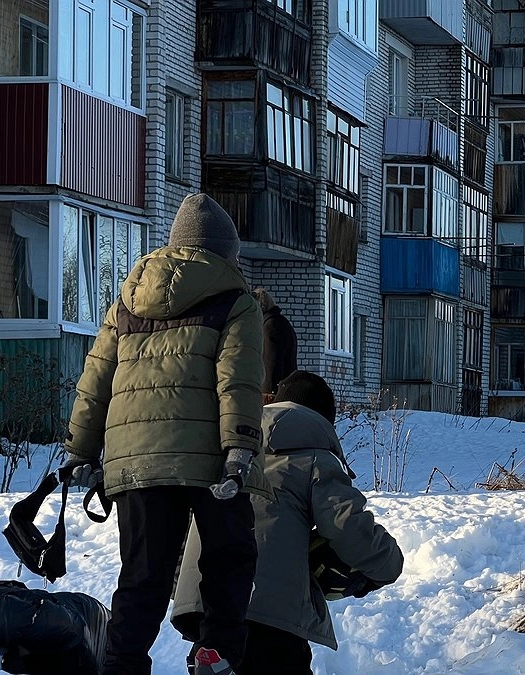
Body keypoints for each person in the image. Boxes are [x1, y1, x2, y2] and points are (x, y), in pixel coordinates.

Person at [61, 193, 269, 675]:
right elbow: (237, 379)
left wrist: (80, 449)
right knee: (230, 557)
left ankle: (121, 664)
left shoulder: (127, 301)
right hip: (208, 459)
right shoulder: (236, 301)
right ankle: (216, 653)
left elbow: (95, 379)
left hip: (135, 461)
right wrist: (240, 445)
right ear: (227, 251)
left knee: (143, 574)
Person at [170, 370, 404, 674]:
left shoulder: (227, 449)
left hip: (204, 601)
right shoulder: (314, 455)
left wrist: (182, 588)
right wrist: (388, 565)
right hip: (266, 608)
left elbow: (182, 521)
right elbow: (347, 526)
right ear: (323, 417)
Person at [251, 288, 298, 397]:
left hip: (275, 393)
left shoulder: (270, 327)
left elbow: (271, 363)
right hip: (285, 388)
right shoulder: (280, 322)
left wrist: (268, 394)